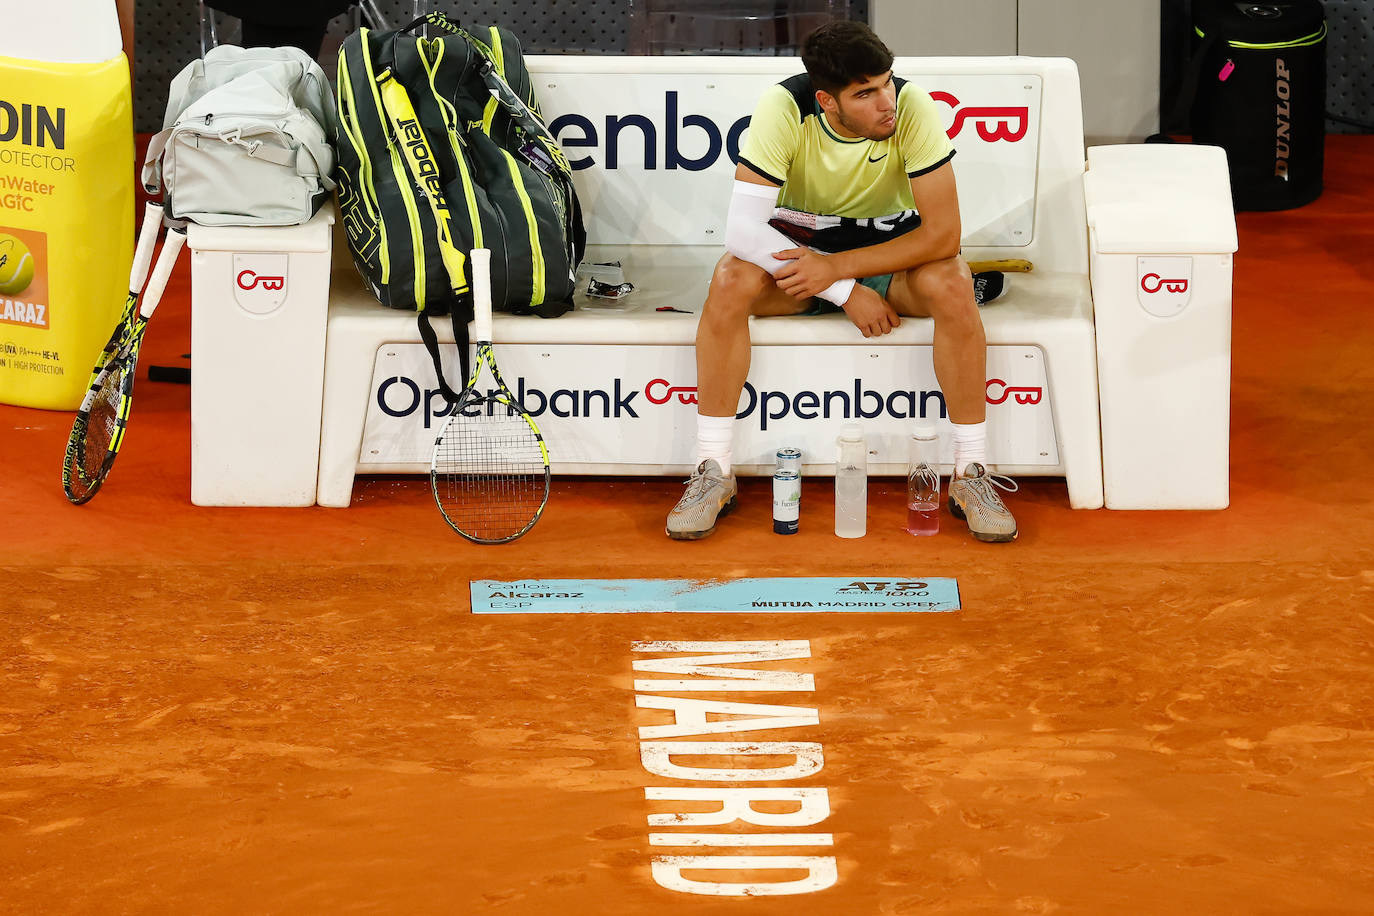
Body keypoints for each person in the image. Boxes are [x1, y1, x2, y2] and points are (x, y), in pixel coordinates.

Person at [665, 20, 1018, 543]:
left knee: (954, 281)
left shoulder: (912, 108)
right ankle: (713, 470)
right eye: (866, 93)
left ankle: (971, 472)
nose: (887, 103)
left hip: (890, 264)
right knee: (730, 279)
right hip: (802, 269)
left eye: (888, 83)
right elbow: (742, 232)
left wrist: (841, 270)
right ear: (827, 101)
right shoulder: (784, 108)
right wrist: (840, 289)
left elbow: (943, 235)